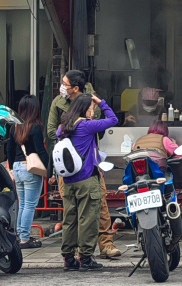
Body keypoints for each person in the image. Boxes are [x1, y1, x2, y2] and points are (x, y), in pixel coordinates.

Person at [47, 70, 122, 259]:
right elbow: (50, 132)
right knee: (75, 214)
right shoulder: (58, 103)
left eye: (65, 83)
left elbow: (101, 129)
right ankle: (82, 253)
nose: (62, 86)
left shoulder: (91, 100)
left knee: (100, 207)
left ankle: (105, 244)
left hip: (91, 163)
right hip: (68, 166)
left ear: (76, 88)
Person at [56, 92, 118, 271]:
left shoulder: (63, 127)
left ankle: (68, 258)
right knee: (88, 220)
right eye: (91, 108)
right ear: (84, 109)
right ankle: (86, 257)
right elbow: (113, 119)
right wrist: (102, 102)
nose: (93, 111)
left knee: (70, 220)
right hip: (86, 179)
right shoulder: (86, 126)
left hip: (68, 181)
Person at [5, 95, 48, 249]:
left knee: (22, 204)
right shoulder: (35, 127)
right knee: (30, 205)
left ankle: (19, 235)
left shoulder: (14, 127)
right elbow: (40, 151)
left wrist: (10, 168)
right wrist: (50, 170)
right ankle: (24, 238)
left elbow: (9, 149)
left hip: (17, 167)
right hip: (29, 168)